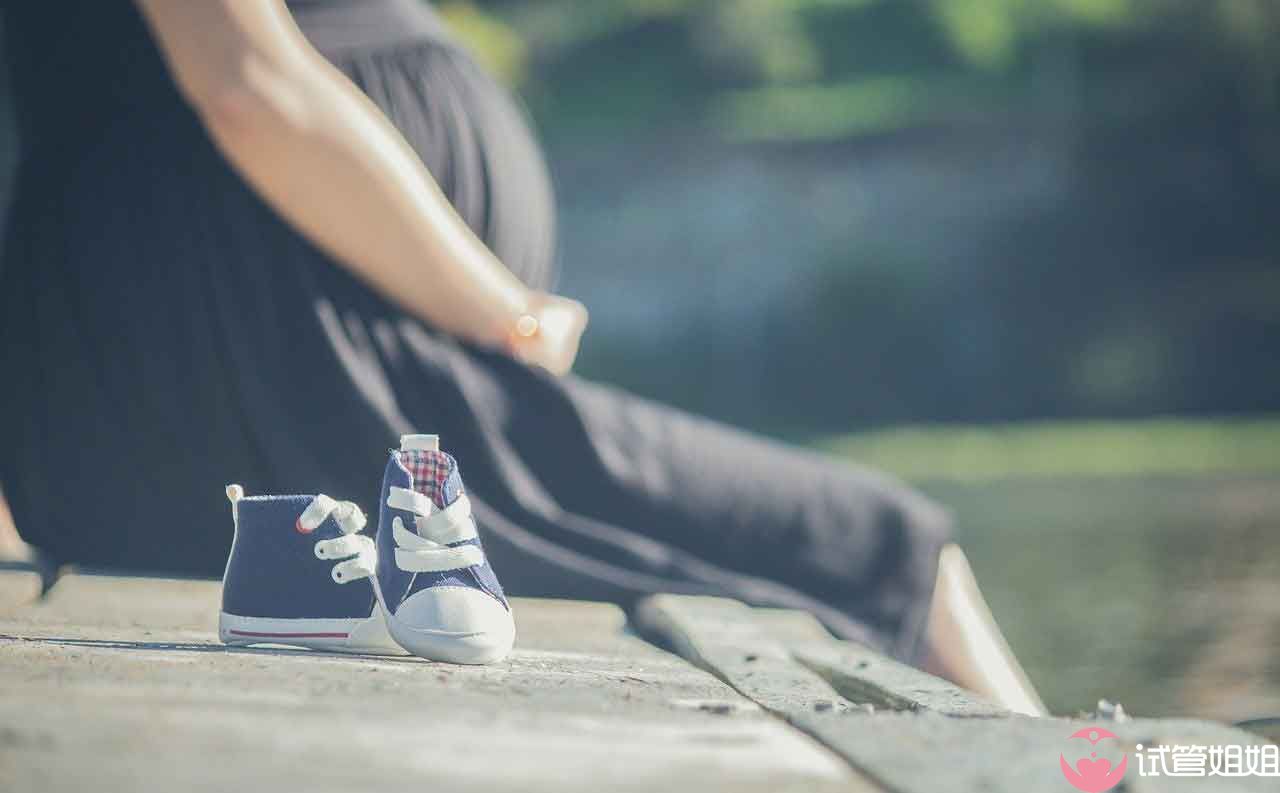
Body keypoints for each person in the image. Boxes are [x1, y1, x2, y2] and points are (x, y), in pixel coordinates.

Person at [0, 0, 1044, 714]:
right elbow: (247, 81)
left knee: (876, 552)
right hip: (269, 360)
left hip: (279, 361)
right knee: (878, 547)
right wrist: (501, 309)